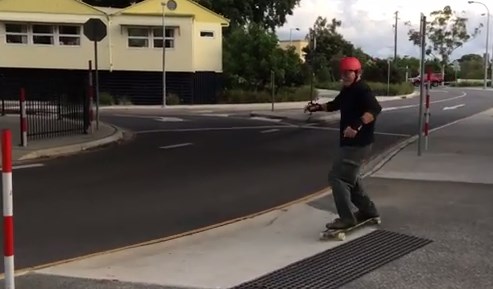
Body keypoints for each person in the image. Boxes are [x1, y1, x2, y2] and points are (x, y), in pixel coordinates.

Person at [304, 56, 382, 229]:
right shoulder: (348, 89)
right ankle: (368, 211)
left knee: (337, 177)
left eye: (349, 73)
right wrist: (317, 107)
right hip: (351, 143)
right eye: (343, 73)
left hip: (358, 143)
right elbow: (335, 104)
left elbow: (375, 109)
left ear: (357, 73)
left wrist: (357, 124)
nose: (344, 77)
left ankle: (346, 219)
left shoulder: (362, 89)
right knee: (350, 179)